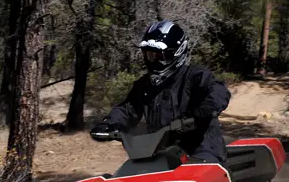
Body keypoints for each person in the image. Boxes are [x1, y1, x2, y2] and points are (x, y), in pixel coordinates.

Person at [92, 20, 232, 163]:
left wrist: (204, 111)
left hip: (202, 152)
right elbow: (128, 109)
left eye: (160, 56)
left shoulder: (196, 76)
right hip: (160, 155)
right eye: (150, 55)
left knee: (191, 181)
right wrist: (109, 123)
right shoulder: (144, 85)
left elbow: (219, 92)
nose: (154, 61)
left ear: (177, 53)